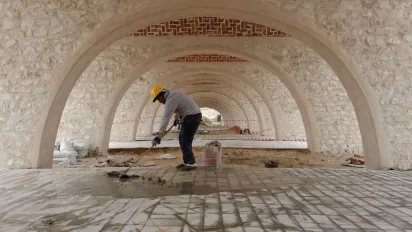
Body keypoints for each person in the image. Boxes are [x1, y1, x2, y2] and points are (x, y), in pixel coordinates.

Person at [151, 86, 202, 171]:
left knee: (185, 140)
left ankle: (191, 163)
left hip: (192, 117)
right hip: (191, 116)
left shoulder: (171, 99)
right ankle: (187, 162)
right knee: (183, 139)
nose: (159, 102)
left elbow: (166, 117)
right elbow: (182, 108)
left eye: (158, 99)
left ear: (161, 95)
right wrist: (178, 119)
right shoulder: (173, 95)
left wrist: (159, 135)